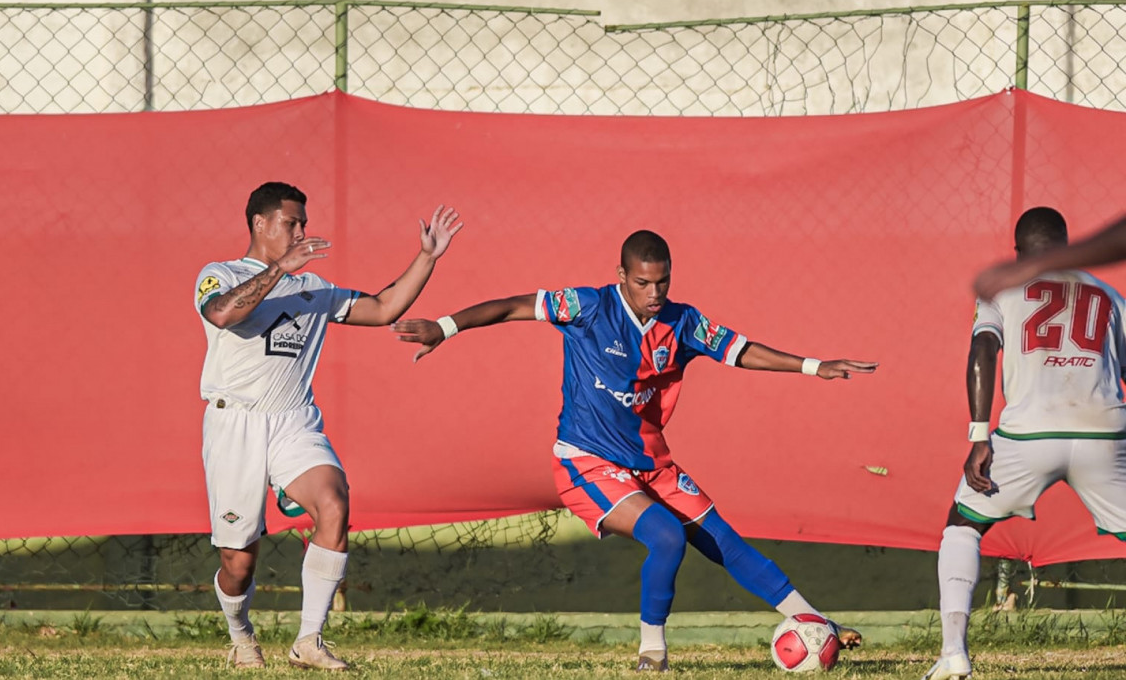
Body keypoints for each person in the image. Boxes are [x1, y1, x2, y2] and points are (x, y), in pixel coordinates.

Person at [392, 230, 876, 671]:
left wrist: (814, 366)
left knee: (723, 541)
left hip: (652, 464)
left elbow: (740, 349)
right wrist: (444, 327)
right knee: (666, 536)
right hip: (588, 462)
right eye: (644, 282)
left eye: (662, 282)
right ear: (621, 275)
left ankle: (814, 623)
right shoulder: (586, 307)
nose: (654, 293)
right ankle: (652, 652)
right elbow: (513, 306)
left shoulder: (682, 322)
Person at [194, 182, 462, 670]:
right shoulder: (221, 274)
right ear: (259, 223)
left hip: (294, 418)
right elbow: (221, 313)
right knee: (238, 563)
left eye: (303, 223)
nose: (302, 231)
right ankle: (241, 636)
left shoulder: (314, 289)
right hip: (235, 425)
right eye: (291, 223)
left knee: (334, 504)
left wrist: (427, 257)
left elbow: (382, 308)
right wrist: (279, 269)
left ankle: (309, 641)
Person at [924, 207, 1126, 680]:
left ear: (1018, 250)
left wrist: (979, 435)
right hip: (1104, 431)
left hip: (1027, 434)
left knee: (963, 526)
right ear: (1067, 241)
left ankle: (954, 651)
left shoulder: (1006, 287)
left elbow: (982, 349)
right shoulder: (1111, 295)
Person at [974, 213, 1126, 300]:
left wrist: (1035, 265)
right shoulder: (1110, 295)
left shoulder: (1002, 293)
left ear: (1019, 253)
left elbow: (982, 351)